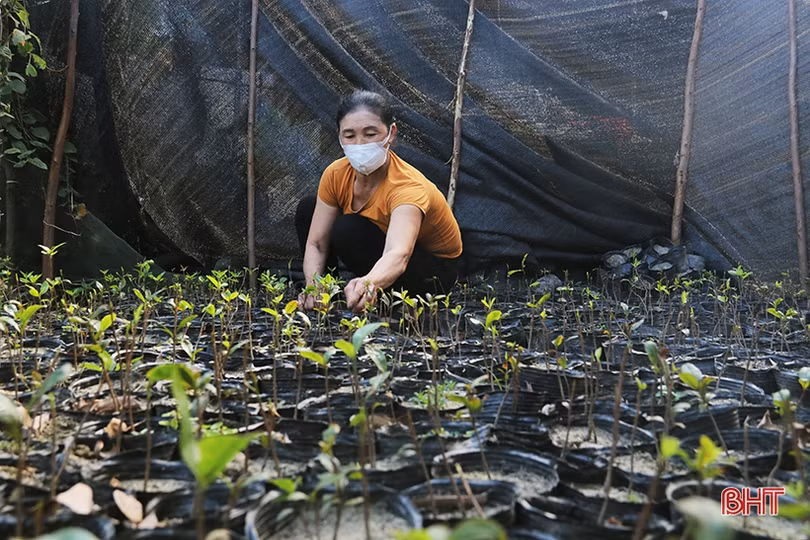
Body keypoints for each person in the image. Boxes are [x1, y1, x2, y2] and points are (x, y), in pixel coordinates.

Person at [295, 90, 462, 312]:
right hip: (379, 250)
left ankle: (382, 298)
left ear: (390, 134)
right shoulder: (335, 173)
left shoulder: (407, 187)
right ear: (339, 136)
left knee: (347, 228)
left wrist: (369, 283)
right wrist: (313, 285)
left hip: (432, 270)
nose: (360, 144)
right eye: (350, 135)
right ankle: (327, 297)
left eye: (370, 134)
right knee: (309, 208)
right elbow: (316, 242)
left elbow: (398, 252)